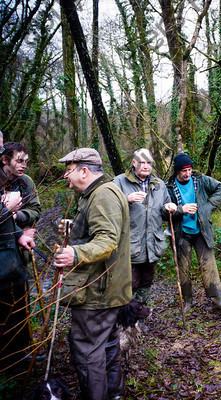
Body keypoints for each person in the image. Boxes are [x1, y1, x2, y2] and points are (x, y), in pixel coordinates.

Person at [54, 148, 131, 400]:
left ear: (84, 171)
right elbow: (99, 231)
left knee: (88, 353)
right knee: (106, 346)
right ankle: (115, 394)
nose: (66, 175)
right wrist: (74, 227)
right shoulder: (97, 193)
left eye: (69, 170)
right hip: (106, 290)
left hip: (97, 292)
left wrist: (74, 254)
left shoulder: (102, 195)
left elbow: (108, 240)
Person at [166, 153, 221, 313]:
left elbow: (220, 188)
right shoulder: (169, 187)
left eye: (189, 169)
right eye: (183, 171)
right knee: (183, 268)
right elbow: (163, 211)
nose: (187, 173)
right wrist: (180, 210)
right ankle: (187, 301)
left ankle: (217, 301)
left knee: (209, 265)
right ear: (177, 171)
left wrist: (207, 207)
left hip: (202, 231)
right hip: (181, 233)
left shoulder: (200, 180)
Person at [114, 149, 176, 304]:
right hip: (130, 245)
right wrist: (126, 200)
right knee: (131, 283)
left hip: (152, 244)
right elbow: (108, 209)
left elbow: (162, 211)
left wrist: (168, 207)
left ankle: (141, 314)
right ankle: (127, 319)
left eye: (149, 163)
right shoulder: (119, 182)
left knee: (146, 282)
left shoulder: (159, 184)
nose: (146, 166)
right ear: (134, 163)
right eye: (142, 162)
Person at [0, 181, 35, 376]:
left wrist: (19, 234)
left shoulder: (21, 182)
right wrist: (6, 209)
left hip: (11, 267)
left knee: (17, 318)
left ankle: (19, 363)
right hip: (3, 270)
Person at [0, 141, 41, 235]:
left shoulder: (26, 181)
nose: (24, 166)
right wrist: (6, 210)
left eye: (26, 162)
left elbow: (35, 209)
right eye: (19, 161)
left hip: (19, 236)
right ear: (5, 160)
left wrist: (18, 215)